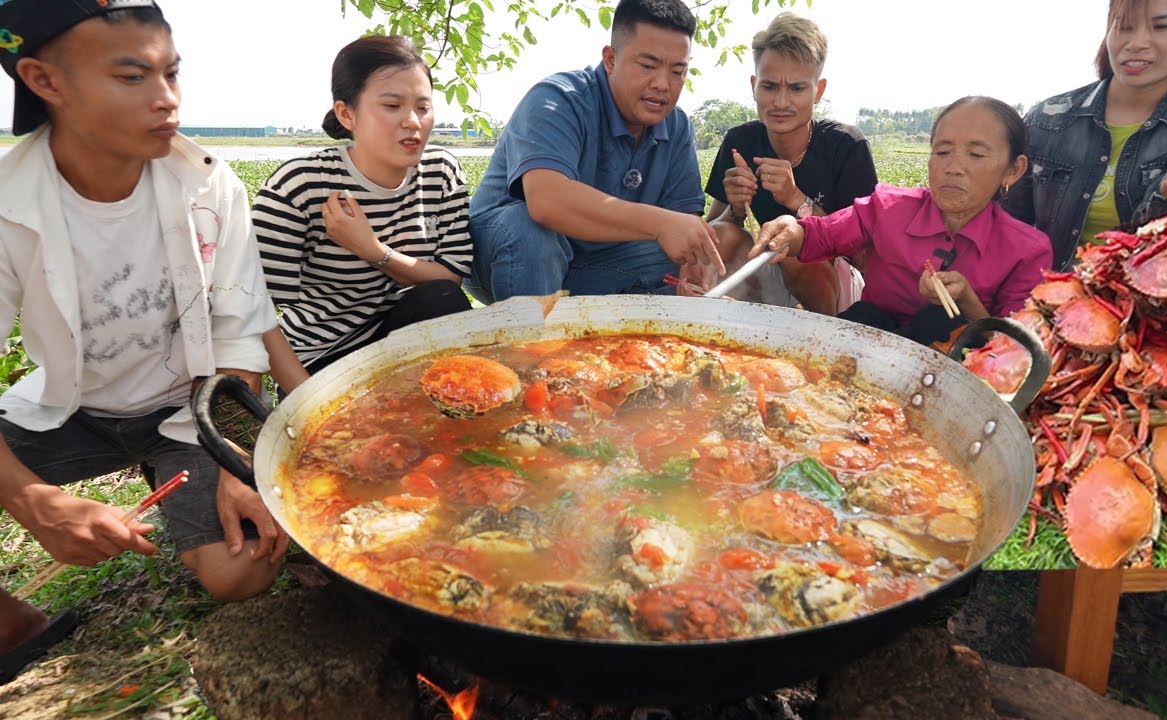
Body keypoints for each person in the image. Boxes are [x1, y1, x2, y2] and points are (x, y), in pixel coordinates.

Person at [0, 0, 285, 684]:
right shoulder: (8, 205)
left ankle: (175, 472)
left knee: (238, 573)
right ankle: (13, 623)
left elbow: (238, 336)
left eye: (172, 73)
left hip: (192, 414)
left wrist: (237, 461)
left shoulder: (209, 184)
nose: (168, 101)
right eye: (133, 77)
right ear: (46, 81)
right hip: (75, 412)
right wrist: (32, 500)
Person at [464, 0, 724, 303]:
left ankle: (613, 345)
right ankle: (533, 344)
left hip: (591, 263)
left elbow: (683, 222)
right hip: (506, 258)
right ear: (611, 59)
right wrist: (660, 224)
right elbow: (547, 202)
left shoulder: (677, 126)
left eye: (678, 72)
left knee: (674, 255)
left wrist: (690, 262)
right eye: (648, 66)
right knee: (530, 232)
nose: (663, 85)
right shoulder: (557, 99)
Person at [253, 36, 473, 394]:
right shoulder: (302, 185)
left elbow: (449, 278)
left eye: (423, 107)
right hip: (324, 355)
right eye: (392, 105)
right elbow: (252, 308)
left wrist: (373, 251)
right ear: (347, 113)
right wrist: (309, 401)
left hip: (401, 338)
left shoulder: (441, 172)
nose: (413, 122)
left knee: (440, 299)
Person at [748, 97, 1053, 346]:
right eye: (943, 151)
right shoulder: (887, 207)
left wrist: (968, 301)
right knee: (866, 318)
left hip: (952, 374)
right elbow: (820, 235)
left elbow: (1013, 348)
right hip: (872, 343)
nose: (954, 167)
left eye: (975, 154)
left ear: (1013, 170)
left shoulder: (1028, 252)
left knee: (943, 323)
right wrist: (791, 228)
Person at [1005, 0, 1167, 271]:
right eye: (1124, 26)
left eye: (1162, 26)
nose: (1136, 42)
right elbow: (1008, 225)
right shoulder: (1047, 119)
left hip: (1161, 302)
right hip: (1052, 299)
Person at [700, 12, 877, 314]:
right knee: (724, 235)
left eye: (796, 88)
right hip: (769, 277)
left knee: (794, 243)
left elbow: (864, 254)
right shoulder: (739, 142)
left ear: (817, 91)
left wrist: (796, 199)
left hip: (834, 286)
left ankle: (824, 334)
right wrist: (737, 207)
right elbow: (716, 232)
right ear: (754, 85)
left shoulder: (846, 145)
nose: (781, 102)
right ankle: (728, 324)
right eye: (769, 87)